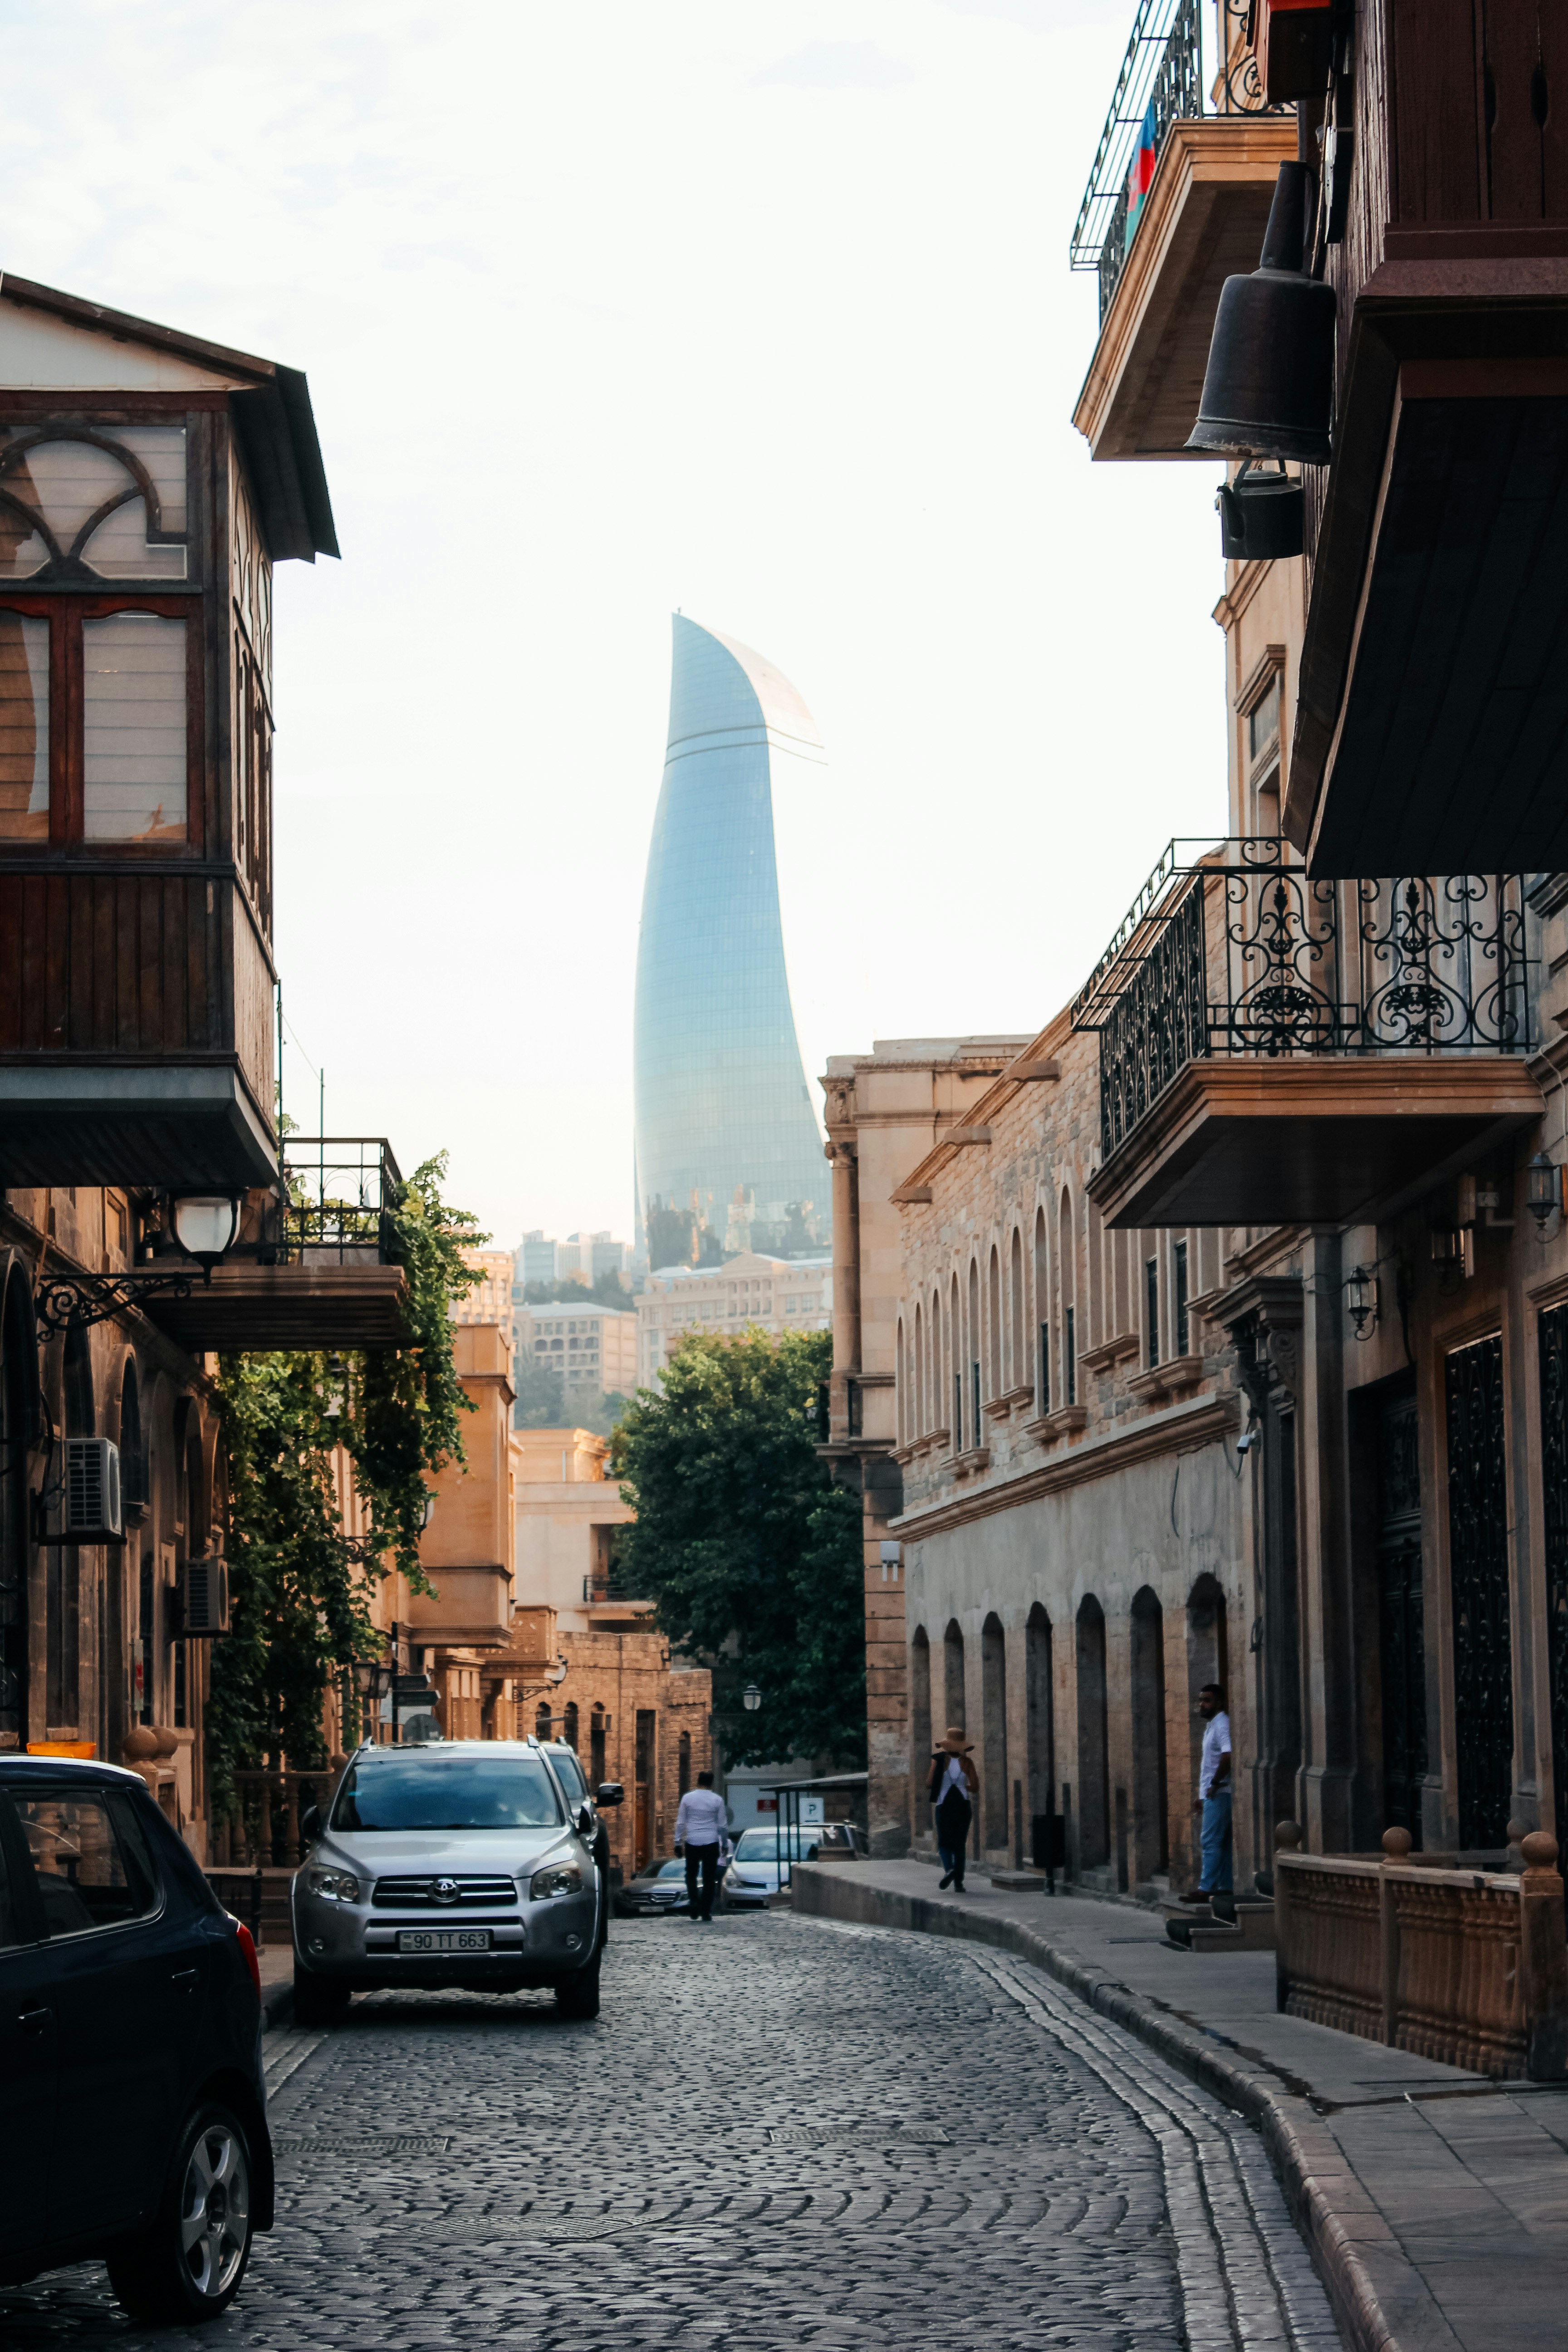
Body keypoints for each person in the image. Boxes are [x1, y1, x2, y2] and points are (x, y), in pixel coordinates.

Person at [1181, 1683, 1232, 1903]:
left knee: (1210, 1840)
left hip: (1220, 1793)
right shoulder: (1212, 1725)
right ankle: (1224, 1886)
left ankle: (1206, 1887)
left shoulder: (1222, 1724)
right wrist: (1202, 1795)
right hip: (1212, 1793)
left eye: (1207, 1700)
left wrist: (1214, 1783)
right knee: (1221, 1841)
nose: (1202, 1704)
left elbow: (1228, 1756)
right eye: (1201, 1700)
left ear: (1219, 1702)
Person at [928, 1727, 979, 1892]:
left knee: (944, 1842)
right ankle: (959, 1883)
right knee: (960, 1845)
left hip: (944, 1807)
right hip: (963, 1807)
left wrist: (943, 1784)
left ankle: (949, 1869)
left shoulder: (938, 1761)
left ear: (947, 1745)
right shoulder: (968, 1763)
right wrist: (963, 1787)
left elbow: (929, 1783)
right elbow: (976, 1787)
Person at [674, 1770, 728, 1921]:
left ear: (698, 1781)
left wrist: (678, 1842)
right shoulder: (717, 1800)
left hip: (692, 1841)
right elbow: (722, 1825)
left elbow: (681, 1822)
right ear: (711, 1783)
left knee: (690, 1874)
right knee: (709, 1878)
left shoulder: (688, 1798)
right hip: (711, 1841)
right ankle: (705, 1910)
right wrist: (724, 1843)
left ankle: (694, 1901)